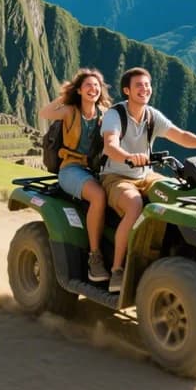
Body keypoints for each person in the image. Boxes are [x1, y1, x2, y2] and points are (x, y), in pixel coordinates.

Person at [100, 67, 196, 293]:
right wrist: (129, 157)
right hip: (117, 177)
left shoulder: (151, 115)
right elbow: (110, 145)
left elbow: (180, 136)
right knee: (135, 205)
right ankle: (118, 270)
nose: (145, 89)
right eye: (139, 85)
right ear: (126, 90)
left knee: (178, 194)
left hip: (146, 175)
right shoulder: (115, 115)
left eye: (147, 85)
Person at [38, 68, 112, 282]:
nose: (93, 89)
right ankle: (95, 258)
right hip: (70, 169)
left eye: (96, 85)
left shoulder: (104, 114)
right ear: (79, 90)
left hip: (96, 170)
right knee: (98, 196)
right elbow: (45, 113)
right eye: (88, 85)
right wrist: (65, 94)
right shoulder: (70, 111)